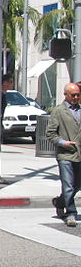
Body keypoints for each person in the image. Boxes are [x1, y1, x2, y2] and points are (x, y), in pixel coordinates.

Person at [46, 82, 81, 227]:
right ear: (65, 95)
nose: (76, 97)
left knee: (77, 185)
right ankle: (71, 213)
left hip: (79, 154)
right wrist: (63, 143)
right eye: (73, 95)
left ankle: (60, 202)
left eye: (78, 95)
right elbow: (50, 133)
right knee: (68, 185)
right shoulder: (59, 111)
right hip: (65, 154)